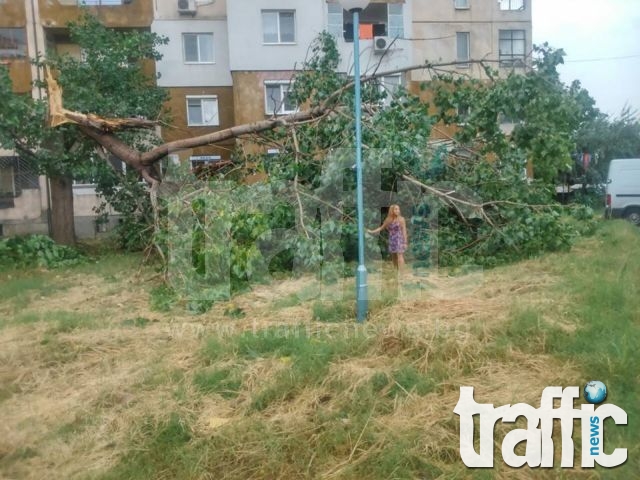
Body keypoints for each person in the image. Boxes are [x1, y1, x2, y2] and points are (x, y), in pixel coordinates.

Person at [367, 204, 408, 270]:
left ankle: (402, 271)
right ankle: (396, 270)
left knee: (400, 255)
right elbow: (381, 228)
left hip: (399, 239)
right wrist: (372, 231)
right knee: (394, 256)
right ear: (392, 210)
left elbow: (404, 231)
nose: (398, 211)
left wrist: (405, 242)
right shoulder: (388, 220)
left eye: (398, 209)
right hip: (392, 239)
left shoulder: (401, 219)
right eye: (396, 209)